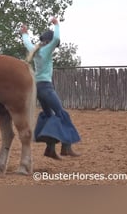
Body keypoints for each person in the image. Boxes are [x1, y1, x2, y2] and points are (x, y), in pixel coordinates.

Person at [20, 17, 81, 160]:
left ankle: (50, 149)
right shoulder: (47, 50)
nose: (55, 46)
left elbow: (27, 42)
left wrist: (24, 33)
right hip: (47, 88)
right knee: (62, 113)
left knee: (49, 115)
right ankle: (66, 147)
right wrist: (57, 25)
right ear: (48, 41)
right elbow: (56, 38)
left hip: (38, 89)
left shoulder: (35, 50)